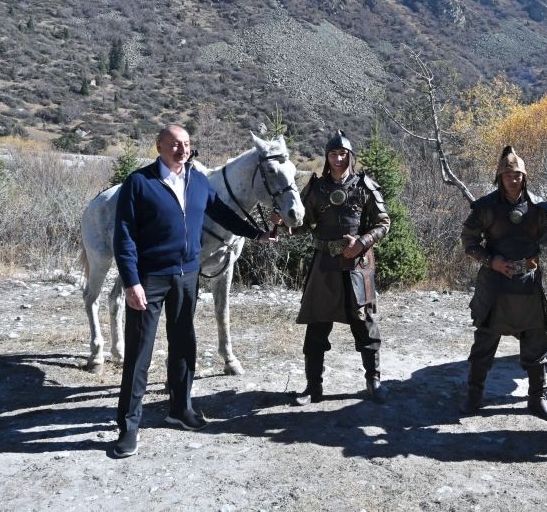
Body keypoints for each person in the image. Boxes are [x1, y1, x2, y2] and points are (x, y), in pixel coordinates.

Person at [112, 124, 280, 458]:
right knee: (139, 353)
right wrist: (131, 281)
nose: (182, 150)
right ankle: (129, 427)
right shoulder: (139, 183)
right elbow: (125, 236)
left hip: (187, 276)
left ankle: (180, 409)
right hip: (150, 278)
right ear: (159, 146)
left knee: (184, 344)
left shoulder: (198, 181)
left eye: (186, 144)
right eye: (174, 144)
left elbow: (223, 214)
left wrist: (258, 234)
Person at [459, 146, 547, 422]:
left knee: (536, 342)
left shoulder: (537, 208)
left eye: (518, 175)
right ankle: (474, 396)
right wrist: (490, 260)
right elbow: (469, 242)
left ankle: (537, 399)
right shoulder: (485, 207)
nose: (513, 179)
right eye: (508, 175)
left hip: (527, 283)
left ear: (524, 177)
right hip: (495, 284)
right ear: (499, 177)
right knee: (484, 343)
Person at [292, 130, 391, 405]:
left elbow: (383, 222)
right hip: (324, 265)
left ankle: (374, 382)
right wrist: (284, 221)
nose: (338, 158)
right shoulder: (316, 188)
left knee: (365, 325)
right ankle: (313, 387)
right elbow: (302, 224)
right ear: (327, 157)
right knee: (316, 327)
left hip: (357, 266)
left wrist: (362, 242)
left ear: (350, 156)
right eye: (333, 154)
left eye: (343, 154)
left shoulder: (364, 186)